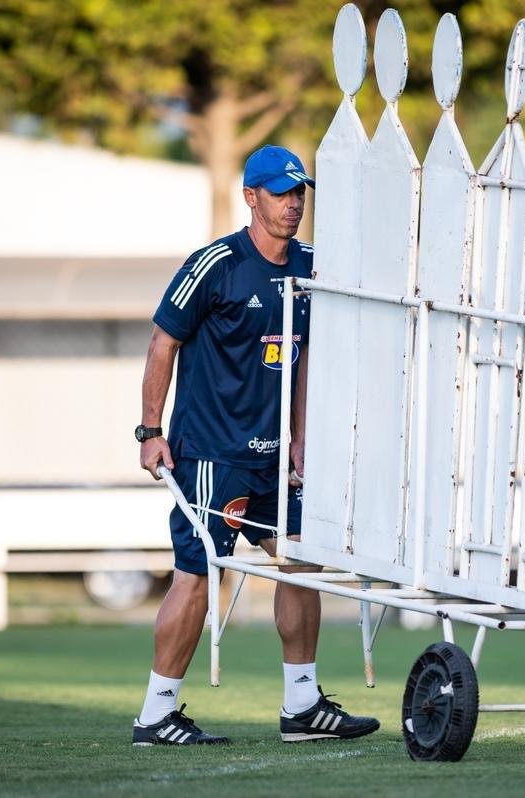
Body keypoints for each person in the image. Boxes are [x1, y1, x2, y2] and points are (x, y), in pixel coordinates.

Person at [131, 145, 379, 746]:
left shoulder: (312, 268)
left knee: (301, 561)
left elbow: (303, 356)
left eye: (300, 194)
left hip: (274, 462)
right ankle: (156, 716)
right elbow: (163, 342)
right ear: (251, 197)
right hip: (212, 456)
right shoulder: (215, 264)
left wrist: (299, 438)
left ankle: (302, 707)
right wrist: (150, 431)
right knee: (197, 576)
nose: (293, 205)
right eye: (280, 193)